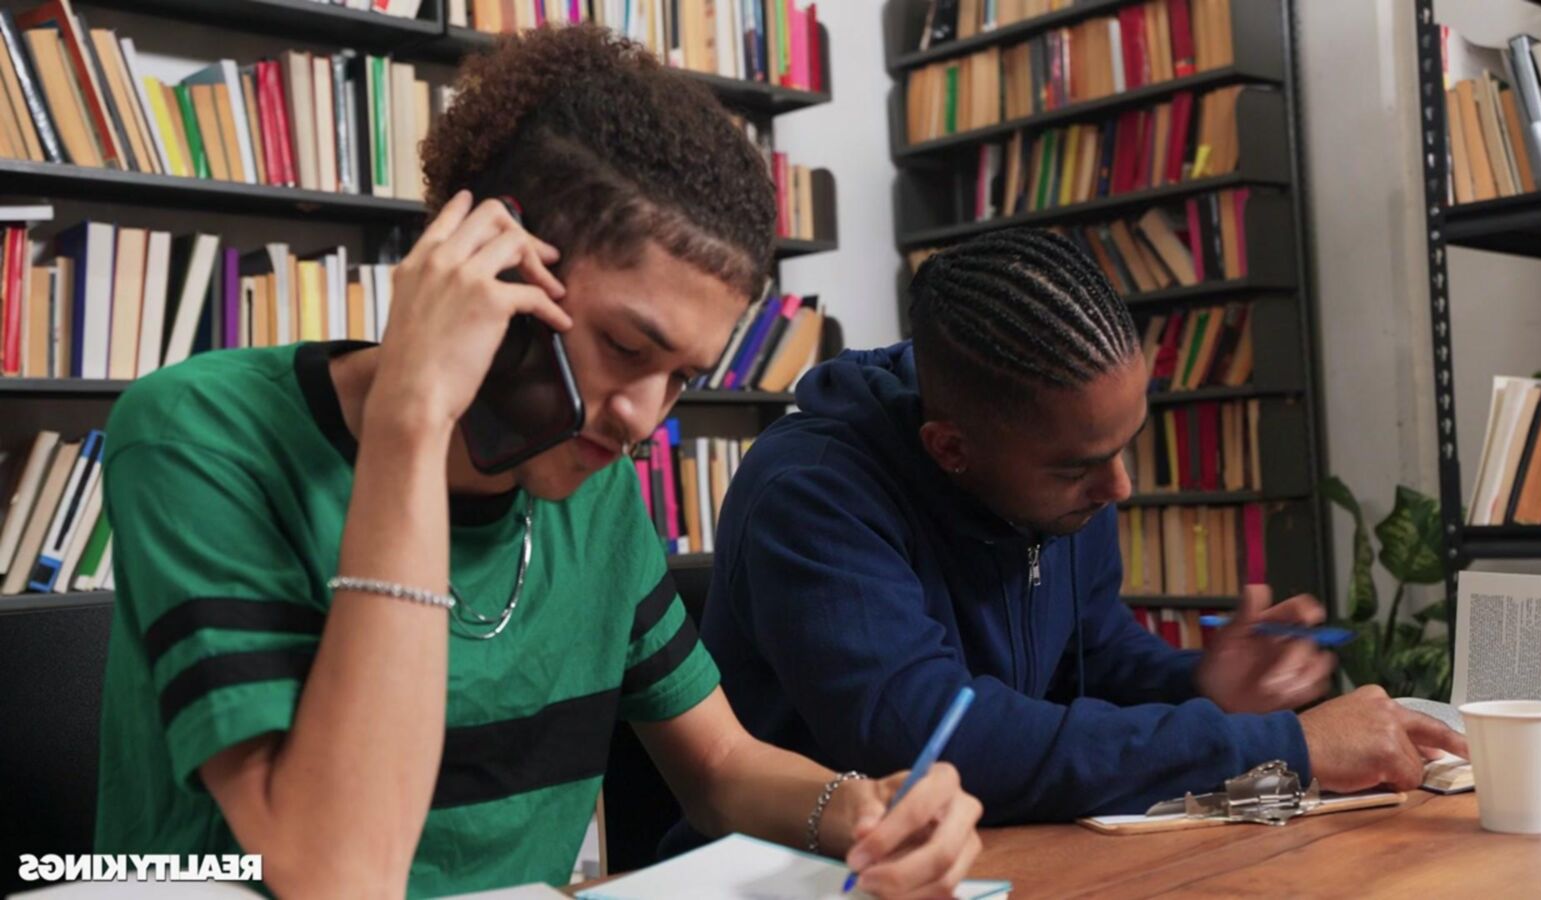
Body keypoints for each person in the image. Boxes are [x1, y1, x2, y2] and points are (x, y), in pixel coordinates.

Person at [92, 26, 981, 898]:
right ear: (489, 263)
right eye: (626, 346)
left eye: (682, 379)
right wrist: (412, 421)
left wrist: (862, 811)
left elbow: (718, 765)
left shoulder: (591, 486)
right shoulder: (201, 435)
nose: (642, 417)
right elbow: (338, 877)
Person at [683, 227, 1468, 832]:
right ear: (950, 449)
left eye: (1126, 446)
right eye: (1079, 467)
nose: (1119, 486)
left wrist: (1198, 683)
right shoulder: (812, 495)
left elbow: (1089, 651)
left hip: (996, 856)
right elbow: (933, 740)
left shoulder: (1056, 470)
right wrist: (1283, 748)